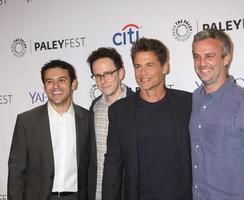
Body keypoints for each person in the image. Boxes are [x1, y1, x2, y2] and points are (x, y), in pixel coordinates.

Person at [102, 38, 192, 200]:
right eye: (138, 66)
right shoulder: (119, 111)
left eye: (149, 65)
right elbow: (113, 164)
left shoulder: (188, 103)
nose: (142, 73)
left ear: (165, 67)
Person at [190, 29, 244, 200]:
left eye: (209, 56)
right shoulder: (192, 100)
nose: (201, 63)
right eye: (196, 56)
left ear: (226, 59)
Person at [8, 60, 93, 200]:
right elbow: (16, 171)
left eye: (62, 80)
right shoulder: (26, 121)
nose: (55, 86)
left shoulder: (88, 119)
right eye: (49, 81)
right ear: (44, 86)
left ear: (73, 83)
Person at [87, 47, 133, 200]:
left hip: (127, 192)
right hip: (98, 193)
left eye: (107, 74)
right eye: (97, 75)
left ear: (121, 73)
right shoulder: (94, 108)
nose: (102, 80)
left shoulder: (137, 106)